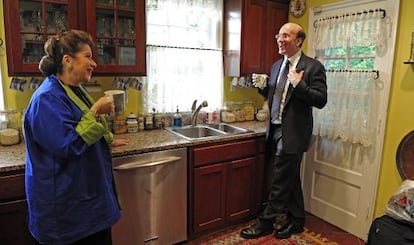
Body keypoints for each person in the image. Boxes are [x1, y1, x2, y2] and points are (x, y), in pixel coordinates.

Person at [24, 29, 129, 245]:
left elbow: (81, 122)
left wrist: (107, 138)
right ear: (67, 60)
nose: (94, 64)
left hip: (87, 203)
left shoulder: (73, 89)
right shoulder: (46, 99)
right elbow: (69, 143)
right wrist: (96, 111)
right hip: (66, 211)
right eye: (88, 56)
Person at [240, 23, 327, 239]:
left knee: (279, 179)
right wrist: (263, 88)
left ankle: (266, 223)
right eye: (279, 34)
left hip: (294, 133)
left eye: (286, 35)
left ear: (298, 41)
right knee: (290, 177)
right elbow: (277, 98)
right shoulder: (276, 65)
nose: (280, 39)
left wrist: (300, 85)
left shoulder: (314, 67)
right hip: (275, 129)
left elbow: (321, 100)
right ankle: (297, 221)